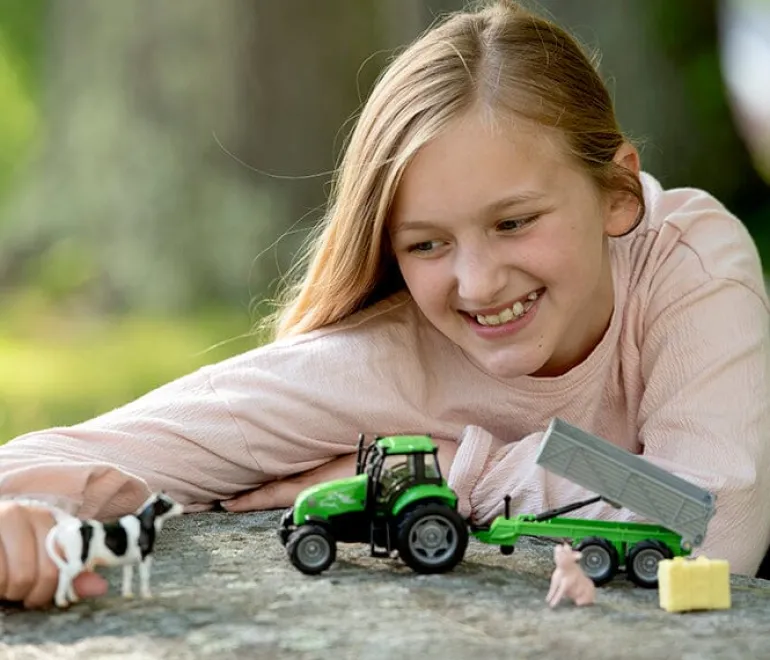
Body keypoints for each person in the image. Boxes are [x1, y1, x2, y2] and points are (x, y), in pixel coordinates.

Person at [2, 0, 769, 609]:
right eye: (428, 244)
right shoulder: (383, 363)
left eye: (514, 222)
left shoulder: (689, 260)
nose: (478, 284)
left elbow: (708, 531)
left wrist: (448, 471)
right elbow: (46, 464)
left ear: (615, 191)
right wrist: (18, 529)